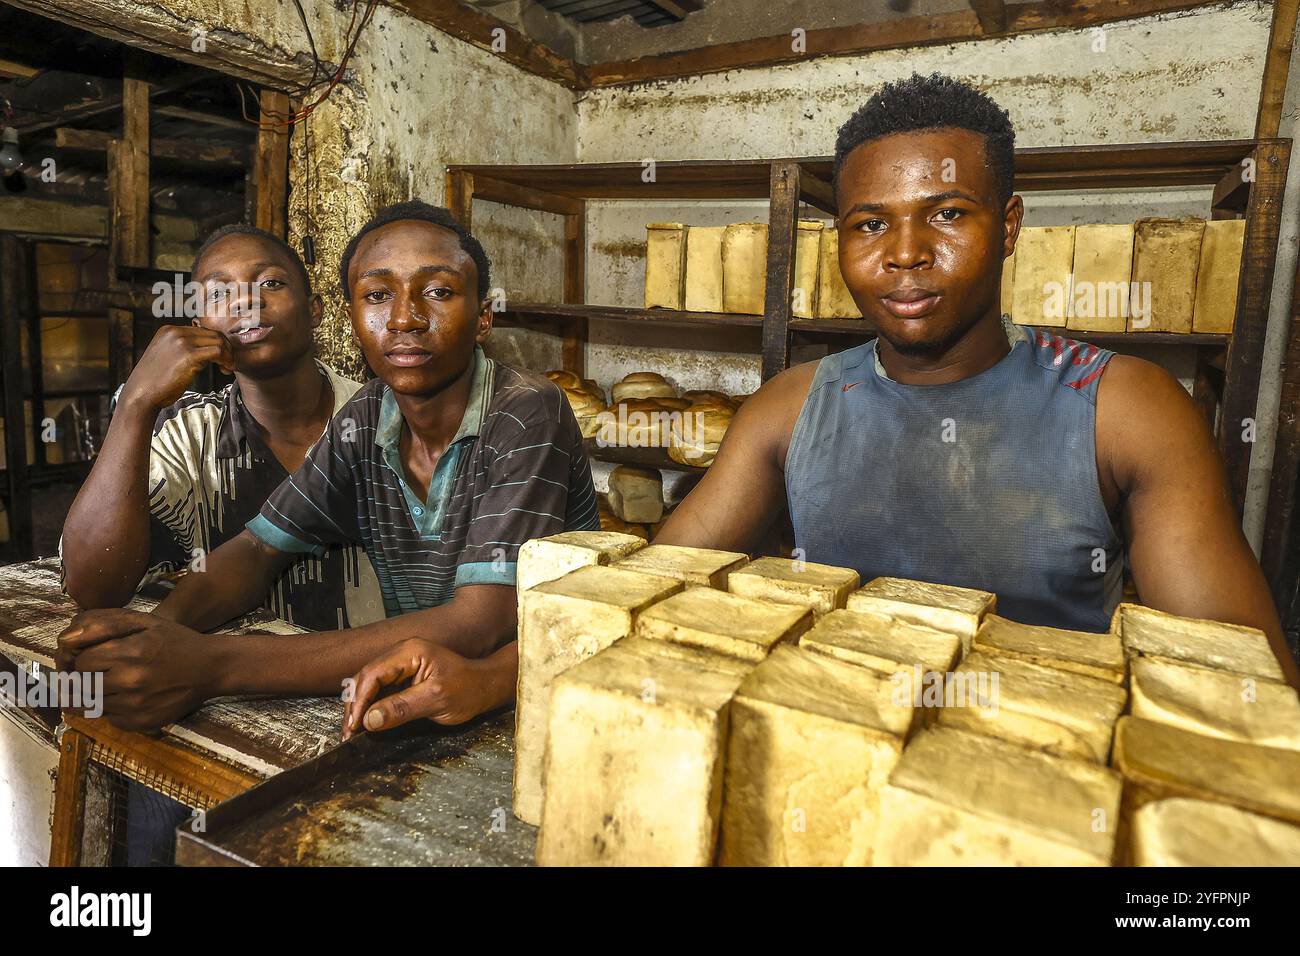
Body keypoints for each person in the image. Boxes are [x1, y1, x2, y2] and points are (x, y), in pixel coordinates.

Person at [653, 72, 1299, 688]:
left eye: (948, 214)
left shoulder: (1127, 408)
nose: (905, 252)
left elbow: (1237, 683)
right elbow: (659, 583)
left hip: (1036, 774)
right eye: (870, 224)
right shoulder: (788, 408)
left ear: (1009, 226)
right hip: (841, 757)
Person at [58, 201, 601, 735]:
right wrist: (154, 638)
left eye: (437, 291)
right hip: (414, 704)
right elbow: (260, 549)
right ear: (351, 318)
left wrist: (209, 665)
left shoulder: (528, 409)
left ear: (483, 316)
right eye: (377, 295)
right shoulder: (365, 416)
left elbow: (480, 624)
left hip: (535, 703)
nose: (405, 318)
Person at [60, 224, 383, 631]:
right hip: (225, 690)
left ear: (313, 308)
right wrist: (134, 404)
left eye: (271, 282)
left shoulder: (379, 417)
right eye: (218, 293)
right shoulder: (188, 433)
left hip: (377, 678)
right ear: (200, 328)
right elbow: (94, 588)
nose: (246, 300)